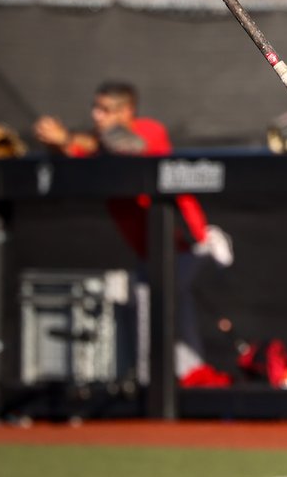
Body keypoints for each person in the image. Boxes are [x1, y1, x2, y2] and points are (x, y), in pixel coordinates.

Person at [33, 80, 232, 383]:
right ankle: (192, 376)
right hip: (150, 251)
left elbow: (125, 146)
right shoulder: (97, 145)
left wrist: (69, 138)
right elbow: (77, 152)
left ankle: (153, 383)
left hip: (185, 244)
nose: (97, 115)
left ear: (127, 111)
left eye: (105, 110)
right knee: (176, 309)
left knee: (150, 298)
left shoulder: (147, 130)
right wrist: (55, 142)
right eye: (95, 108)